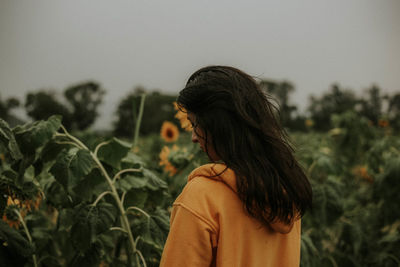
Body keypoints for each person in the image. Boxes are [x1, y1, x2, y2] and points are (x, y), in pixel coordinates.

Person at [160, 66, 312, 267]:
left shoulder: (201, 198)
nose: (194, 137)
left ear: (220, 125)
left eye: (195, 124)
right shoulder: (285, 191)